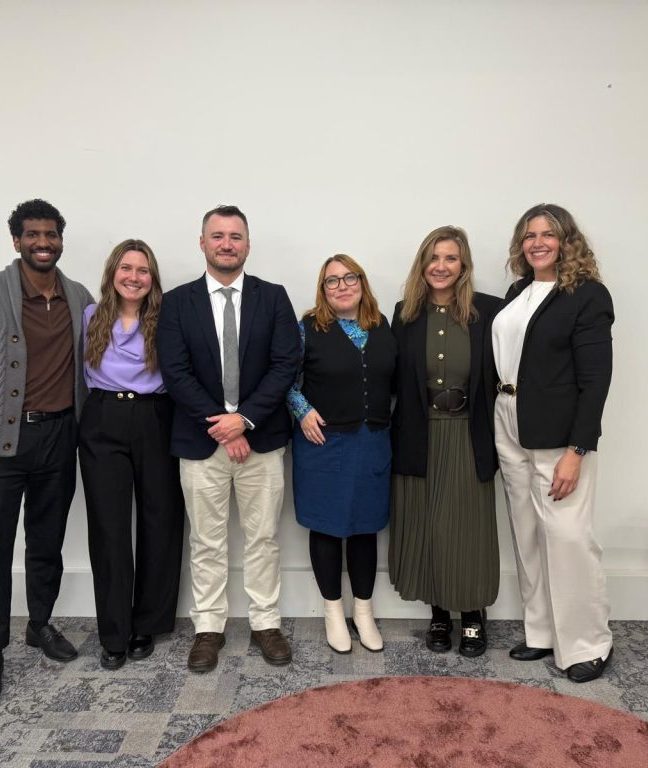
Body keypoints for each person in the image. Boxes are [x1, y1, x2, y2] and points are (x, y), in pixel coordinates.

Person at [157, 205, 300, 671]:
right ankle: (208, 628)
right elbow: (175, 372)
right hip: (202, 442)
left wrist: (245, 420)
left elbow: (285, 364)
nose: (226, 244)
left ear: (248, 244)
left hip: (261, 440)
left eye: (235, 236)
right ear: (202, 243)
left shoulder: (273, 297)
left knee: (263, 537)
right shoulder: (177, 302)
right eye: (217, 236)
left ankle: (266, 623)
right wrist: (222, 423)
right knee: (206, 540)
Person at [491, 203, 614, 683]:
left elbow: (596, 380)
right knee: (527, 532)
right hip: (509, 419)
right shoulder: (519, 291)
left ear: (567, 240)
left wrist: (577, 449)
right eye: (529, 235)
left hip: (559, 435)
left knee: (567, 536)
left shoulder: (587, 295)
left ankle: (588, 643)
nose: (537, 242)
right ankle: (542, 631)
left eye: (548, 234)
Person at [389, 226, 500, 657]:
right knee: (428, 526)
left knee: (467, 527)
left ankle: (471, 614)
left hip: (468, 432)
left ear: (463, 264)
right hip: (419, 433)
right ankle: (438, 612)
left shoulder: (488, 311)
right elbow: (390, 377)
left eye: (450, 258)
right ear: (422, 264)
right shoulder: (405, 314)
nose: (441, 266)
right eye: (433, 258)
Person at [0, 199, 93, 693]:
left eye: (51, 234)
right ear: (16, 240)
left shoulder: (78, 296)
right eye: (32, 234)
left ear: (60, 240)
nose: (43, 242)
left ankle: (39, 624)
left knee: (47, 540)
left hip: (59, 436)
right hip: (6, 439)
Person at [79, 239, 185, 670]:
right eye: (126, 268)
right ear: (112, 272)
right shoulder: (91, 316)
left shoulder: (166, 319)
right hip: (103, 418)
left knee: (160, 519)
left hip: (155, 416)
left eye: (143, 270)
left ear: (152, 278)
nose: (134, 277)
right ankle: (114, 631)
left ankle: (147, 623)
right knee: (109, 527)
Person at [287, 255, 396, 653]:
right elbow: (285, 379)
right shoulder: (307, 328)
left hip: (372, 443)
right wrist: (303, 411)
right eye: (332, 281)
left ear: (362, 283)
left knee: (366, 527)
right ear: (323, 290)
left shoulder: (382, 325)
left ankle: (363, 612)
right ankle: (333, 612)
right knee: (327, 527)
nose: (342, 286)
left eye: (350, 278)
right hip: (323, 445)